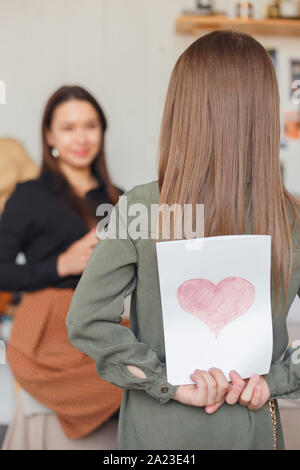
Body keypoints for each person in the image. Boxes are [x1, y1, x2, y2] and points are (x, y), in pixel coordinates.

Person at [65, 32, 300, 450]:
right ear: (264, 112)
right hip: (254, 430)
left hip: (158, 435)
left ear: (181, 111)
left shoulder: (142, 208)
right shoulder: (291, 217)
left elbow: (86, 321)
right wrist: (275, 381)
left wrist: (168, 383)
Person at [0, 85, 128, 450]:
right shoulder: (29, 195)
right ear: (50, 135)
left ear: (102, 131)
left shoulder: (120, 199)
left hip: (105, 318)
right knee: (132, 382)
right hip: (49, 326)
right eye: (68, 127)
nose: (81, 138)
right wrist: (61, 263)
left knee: (156, 370)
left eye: (90, 125)